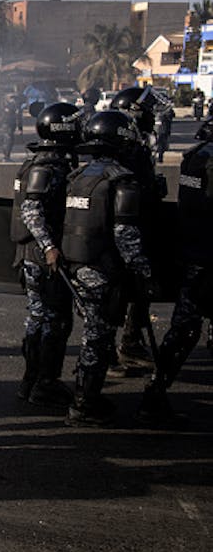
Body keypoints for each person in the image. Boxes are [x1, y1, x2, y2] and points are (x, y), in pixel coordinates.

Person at [61, 109, 157, 427]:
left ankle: (86, 396)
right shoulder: (120, 180)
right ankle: (85, 402)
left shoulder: (79, 177)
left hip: (76, 269)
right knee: (97, 338)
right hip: (102, 272)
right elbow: (124, 233)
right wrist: (143, 270)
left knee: (93, 334)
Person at [136, 115, 213, 426]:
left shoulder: (195, 156)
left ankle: (155, 391)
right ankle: (154, 396)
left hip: (194, 252)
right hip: (207, 255)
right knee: (185, 329)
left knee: (184, 328)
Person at [9, 102, 80, 408]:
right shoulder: (46, 167)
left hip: (32, 254)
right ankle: (44, 382)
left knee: (39, 318)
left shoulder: (36, 162)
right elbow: (31, 210)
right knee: (55, 321)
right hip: (42, 258)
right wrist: (50, 247)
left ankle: (32, 380)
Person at [106, 86, 169, 376]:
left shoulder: (136, 147)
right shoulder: (123, 152)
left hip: (136, 231)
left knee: (138, 292)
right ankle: (112, 350)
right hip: (120, 235)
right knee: (117, 294)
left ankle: (129, 343)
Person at [1, 93, 24, 161]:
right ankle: (6, 157)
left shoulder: (17, 107)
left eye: (15, 98)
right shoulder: (6, 106)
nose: (14, 100)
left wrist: (20, 128)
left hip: (12, 125)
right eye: (12, 98)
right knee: (8, 139)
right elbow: (6, 116)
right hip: (7, 125)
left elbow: (19, 118)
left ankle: (7, 156)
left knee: (10, 140)